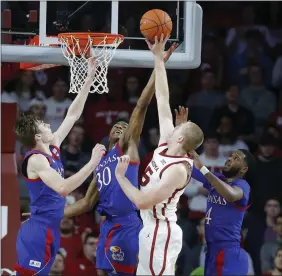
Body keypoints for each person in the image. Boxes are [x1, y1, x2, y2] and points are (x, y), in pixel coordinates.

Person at [63, 41, 178, 276]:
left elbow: (141, 106)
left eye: (125, 126)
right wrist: (51, 212)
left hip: (126, 223)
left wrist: (158, 68)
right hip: (106, 224)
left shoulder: (127, 148)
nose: (121, 127)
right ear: (108, 134)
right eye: (116, 125)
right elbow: (86, 203)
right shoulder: (102, 161)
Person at [114, 35, 204, 275]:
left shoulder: (178, 170)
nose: (175, 124)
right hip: (149, 226)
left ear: (181, 139)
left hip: (160, 230)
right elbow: (162, 100)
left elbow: (143, 201)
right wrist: (158, 58)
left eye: (180, 127)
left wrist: (121, 177)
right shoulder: (167, 141)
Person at [14, 57, 106, 275]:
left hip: (49, 227)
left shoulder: (53, 144)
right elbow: (63, 188)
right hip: (39, 230)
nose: (48, 124)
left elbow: (73, 114)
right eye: (43, 124)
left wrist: (89, 77)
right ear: (38, 136)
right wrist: (93, 163)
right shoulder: (36, 159)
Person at [190, 148, 255, 276]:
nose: (230, 159)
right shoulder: (217, 180)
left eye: (236, 158)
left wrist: (203, 168)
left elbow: (231, 195)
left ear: (244, 169)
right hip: (211, 250)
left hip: (229, 253)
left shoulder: (243, 186)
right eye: (231, 156)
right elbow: (189, 170)